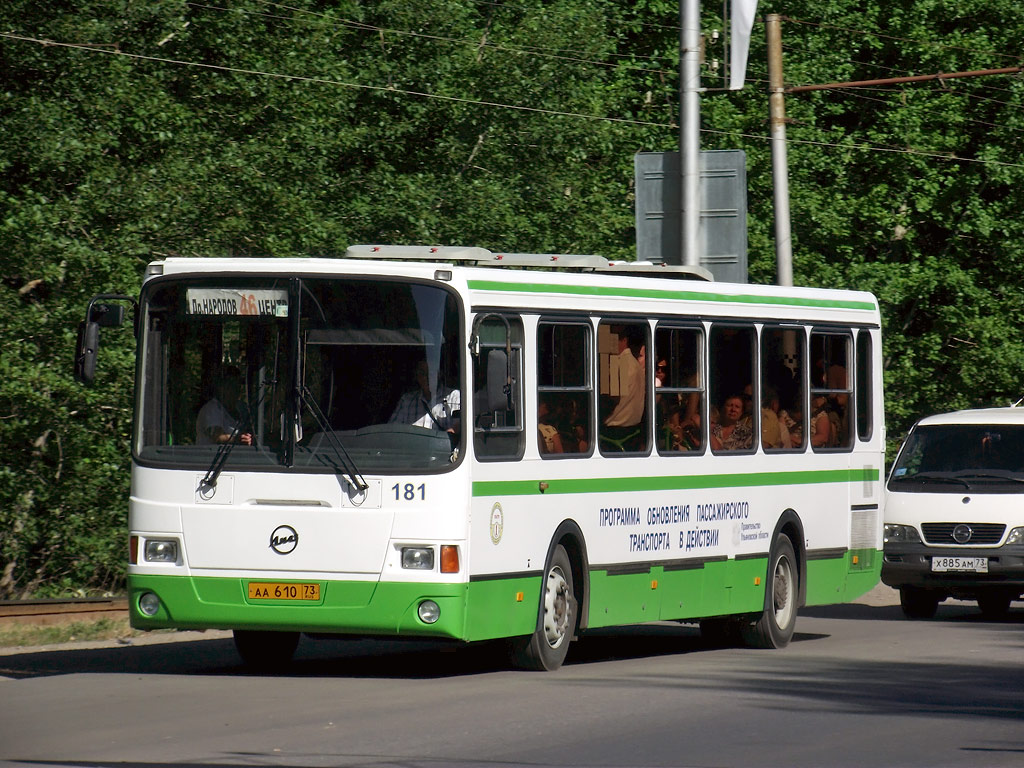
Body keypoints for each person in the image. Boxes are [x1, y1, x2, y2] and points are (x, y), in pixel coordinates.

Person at [389, 359, 461, 432]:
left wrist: (453, 431)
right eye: (422, 373)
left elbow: (464, 427)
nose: (426, 378)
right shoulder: (406, 401)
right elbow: (393, 431)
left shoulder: (455, 396)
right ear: (416, 376)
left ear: (439, 374)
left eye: (430, 373)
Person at [196, 365, 253, 445]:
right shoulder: (211, 409)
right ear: (221, 386)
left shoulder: (242, 408)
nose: (236, 388)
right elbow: (217, 437)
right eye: (231, 384)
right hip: (213, 457)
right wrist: (237, 439)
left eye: (238, 384)